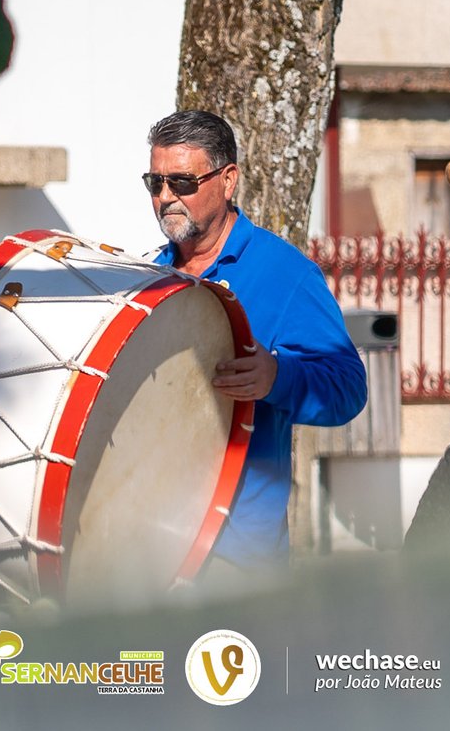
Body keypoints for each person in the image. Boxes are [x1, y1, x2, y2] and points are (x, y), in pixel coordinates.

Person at [144, 110, 367, 572]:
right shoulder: (147, 274)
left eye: (182, 183)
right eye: (155, 182)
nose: (166, 198)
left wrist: (277, 378)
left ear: (228, 181)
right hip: (149, 551)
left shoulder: (286, 272)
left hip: (237, 559)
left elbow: (348, 387)